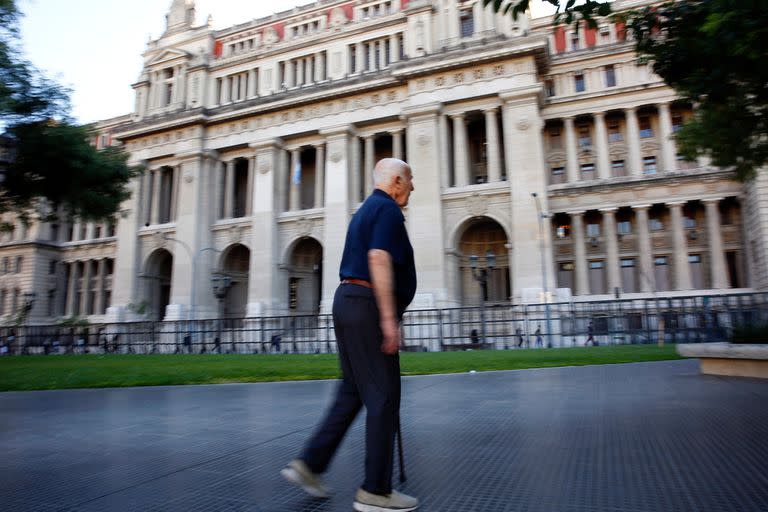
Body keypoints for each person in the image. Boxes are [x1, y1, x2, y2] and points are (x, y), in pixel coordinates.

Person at [281, 158, 418, 512]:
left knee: (353, 389)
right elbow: (378, 259)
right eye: (411, 180)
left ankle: (310, 463)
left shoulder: (365, 211)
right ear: (397, 180)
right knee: (384, 396)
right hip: (368, 304)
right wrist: (388, 320)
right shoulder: (386, 210)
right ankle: (376, 491)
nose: (413, 187)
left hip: (348, 301)